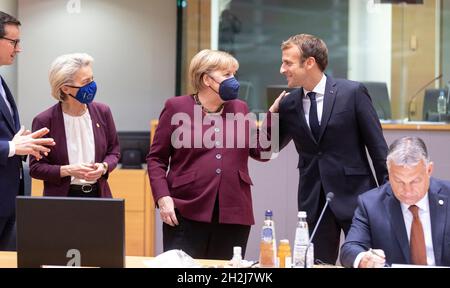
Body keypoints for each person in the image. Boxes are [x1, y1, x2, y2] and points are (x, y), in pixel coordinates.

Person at [269, 34, 388, 264]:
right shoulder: (288, 103)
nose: (282, 69)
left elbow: (378, 148)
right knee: (317, 264)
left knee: (367, 262)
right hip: (314, 201)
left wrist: (387, 194)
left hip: (358, 197)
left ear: (310, 62)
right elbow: (268, 150)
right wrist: (272, 116)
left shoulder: (352, 93)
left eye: (288, 62)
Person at [147, 49, 269, 260]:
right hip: (186, 210)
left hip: (234, 211)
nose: (234, 81)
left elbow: (262, 151)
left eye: (234, 74)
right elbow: (156, 158)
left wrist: (273, 117)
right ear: (206, 79)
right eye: (227, 74)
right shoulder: (176, 107)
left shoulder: (240, 108)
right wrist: (162, 197)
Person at [340, 136, 450, 268]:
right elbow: (350, 249)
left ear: (429, 170)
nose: (407, 190)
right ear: (389, 172)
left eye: (415, 181)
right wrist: (364, 259)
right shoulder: (371, 204)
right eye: (398, 181)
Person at [29, 53, 120, 198]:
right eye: (86, 82)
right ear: (65, 88)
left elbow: (114, 151)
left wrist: (103, 167)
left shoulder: (103, 112)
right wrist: (68, 170)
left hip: (99, 195)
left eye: (92, 79)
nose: (92, 86)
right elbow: (36, 168)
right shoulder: (45, 120)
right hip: (61, 200)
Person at [0, 11, 55, 250]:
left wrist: (22, 143)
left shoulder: (1, 81)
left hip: (8, 198)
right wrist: (11, 147)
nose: (18, 48)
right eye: (14, 42)